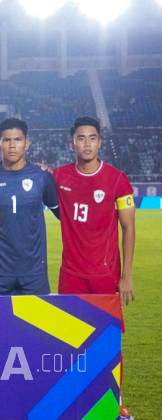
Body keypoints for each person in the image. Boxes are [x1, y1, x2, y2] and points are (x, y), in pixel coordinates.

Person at [53, 116, 136, 305]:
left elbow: (128, 227)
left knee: (105, 333)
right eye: (81, 138)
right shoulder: (58, 175)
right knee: (69, 332)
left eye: (92, 138)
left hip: (106, 273)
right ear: (72, 144)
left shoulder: (117, 180)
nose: (87, 144)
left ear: (99, 142)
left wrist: (127, 276)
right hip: (70, 274)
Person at [0, 118, 60, 295]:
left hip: (34, 272)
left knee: (36, 323)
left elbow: (64, 215)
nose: (12, 145)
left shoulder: (42, 176)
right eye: (6, 140)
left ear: (27, 144)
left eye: (18, 140)